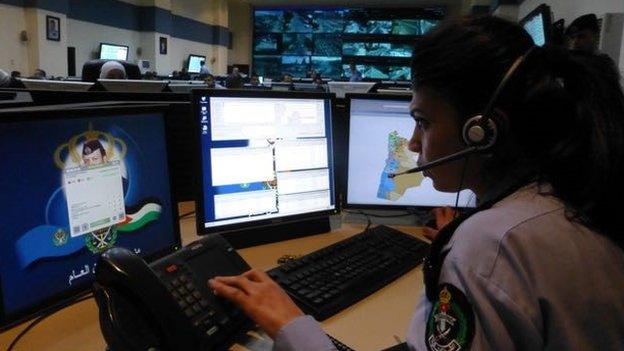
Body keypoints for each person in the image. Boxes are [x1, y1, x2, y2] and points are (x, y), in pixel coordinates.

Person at [209, 16, 624, 350]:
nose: (411, 142)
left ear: (482, 131)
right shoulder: (569, 199)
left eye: (423, 122)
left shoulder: (493, 246)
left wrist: (291, 324)